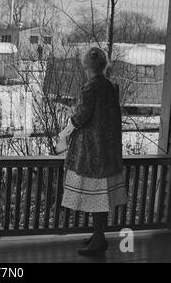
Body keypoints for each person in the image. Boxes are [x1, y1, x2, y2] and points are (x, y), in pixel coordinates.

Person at [59, 47, 128, 257]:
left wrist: (67, 125)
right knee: (102, 195)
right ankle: (98, 235)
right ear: (104, 65)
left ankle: (99, 239)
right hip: (109, 150)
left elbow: (81, 117)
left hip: (92, 153)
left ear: (85, 66)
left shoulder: (90, 88)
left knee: (97, 196)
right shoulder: (110, 87)